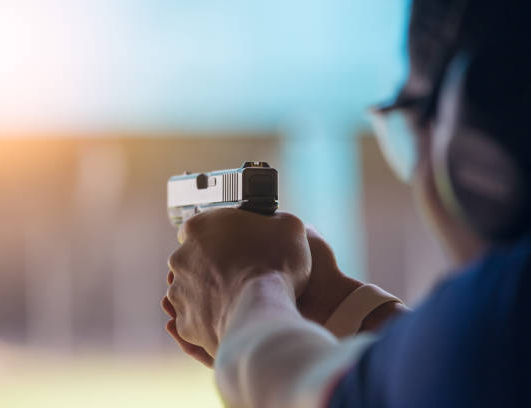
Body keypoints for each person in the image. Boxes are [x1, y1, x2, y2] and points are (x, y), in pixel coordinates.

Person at [161, 0, 531, 406]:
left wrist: (244, 292)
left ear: (474, 141)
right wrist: (339, 305)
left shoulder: (503, 312)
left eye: (411, 119)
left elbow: (299, 395)